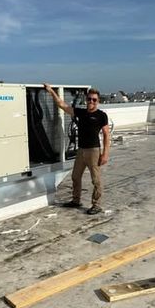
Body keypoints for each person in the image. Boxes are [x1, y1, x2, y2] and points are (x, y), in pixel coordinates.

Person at [43, 83, 110, 215]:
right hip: (81, 151)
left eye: (94, 100)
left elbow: (107, 135)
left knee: (95, 180)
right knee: (75, 177)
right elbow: (62, 105)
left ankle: (96, 205)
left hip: (93, 151)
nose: (91, 101)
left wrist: (105, 154)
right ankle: (76, 200)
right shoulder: (81, 112)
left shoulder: (101, 115)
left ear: (98, 101)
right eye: (89, 99)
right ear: (86, 100)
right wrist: (51, 91)